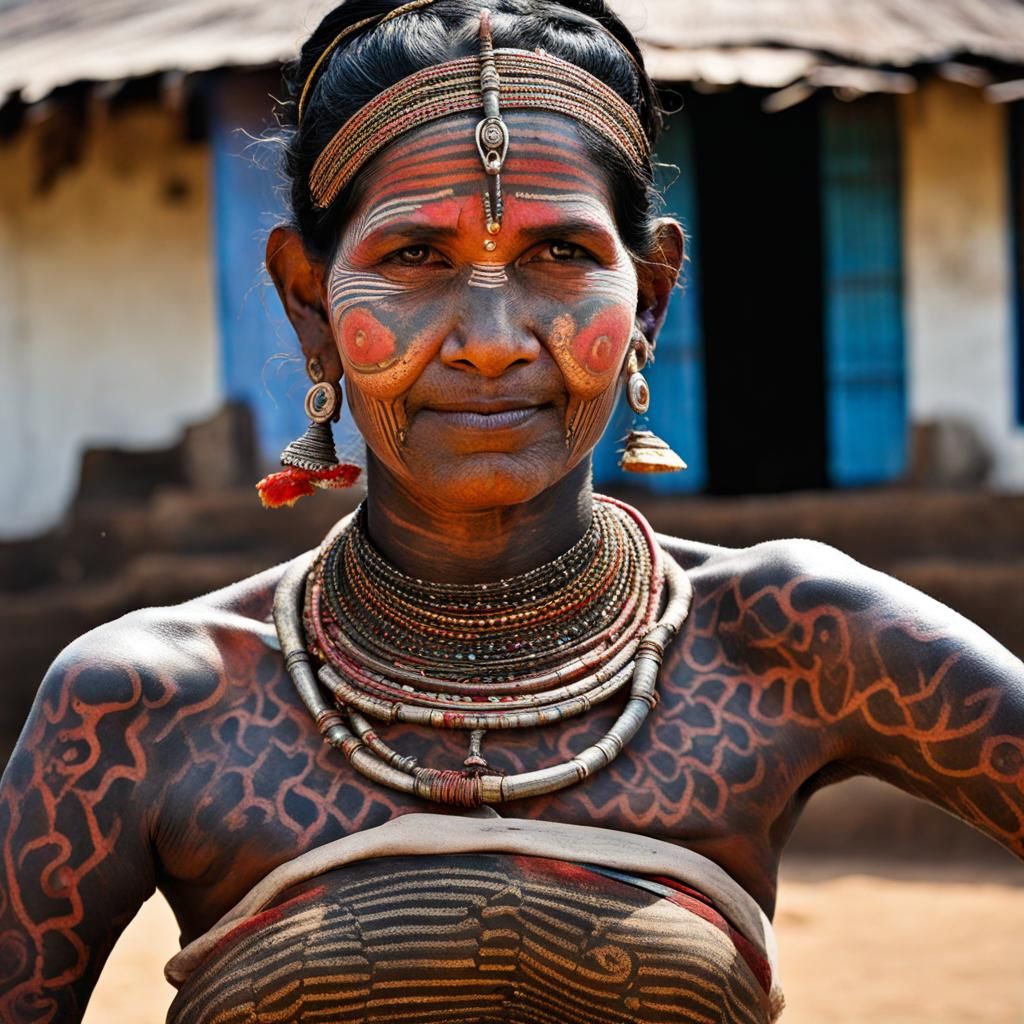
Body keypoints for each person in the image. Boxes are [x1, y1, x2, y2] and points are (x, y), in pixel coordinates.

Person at [1, 0, 1022, 1021]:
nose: (490, 337)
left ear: (651, 296)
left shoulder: (784, 638)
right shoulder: (147, 706)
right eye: (414, 258)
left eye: (561, 255)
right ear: (308, 300)